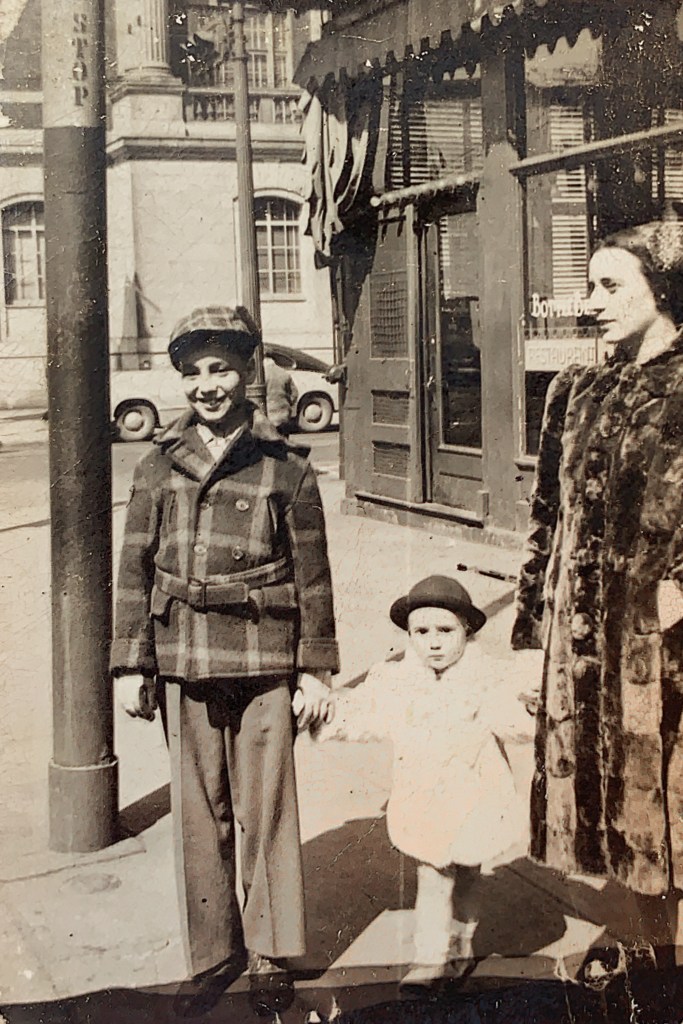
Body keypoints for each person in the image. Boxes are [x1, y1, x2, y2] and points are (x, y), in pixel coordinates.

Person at [110, 305, 339, 1016]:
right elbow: (133, 567)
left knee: (264, 808)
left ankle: (271, 949)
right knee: (198, 812)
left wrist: (316, 668)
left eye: (221, 370)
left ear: (247, 374)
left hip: (265, 653)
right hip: (183, 653)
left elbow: (313, 576)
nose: (208, 386)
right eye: (194, 373)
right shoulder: (158, 465)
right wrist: (131, 665)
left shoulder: (286, 467)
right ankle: (214, 953)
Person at [511, 219, 683, 970]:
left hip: (663, 645)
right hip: (584, 645)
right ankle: (652, 946)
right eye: (589, 285)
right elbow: (544, 521)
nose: (592, 302)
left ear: (663, 290)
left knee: (670, 804)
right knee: (621, 815)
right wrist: (528, 637)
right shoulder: (572, 390)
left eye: (610, 286)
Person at [314, 575, 534, 992]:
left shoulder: (486, 676)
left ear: (467, 630)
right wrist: (326, 715)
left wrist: (532, 709)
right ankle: (430, 958)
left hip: (476, 797)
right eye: (421, 632)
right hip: (426, 802)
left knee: (469, 873)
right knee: (433, 877)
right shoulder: (396, 681)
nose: (433, 642)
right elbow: (362, 714)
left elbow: (513, 722)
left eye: (445, 631)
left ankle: (461, 944)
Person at [264, 354, 298, 436]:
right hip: (284, 412)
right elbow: (294, 393)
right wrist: (288, 403)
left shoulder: (261, 375)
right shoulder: (284, 373)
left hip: (269, 413)